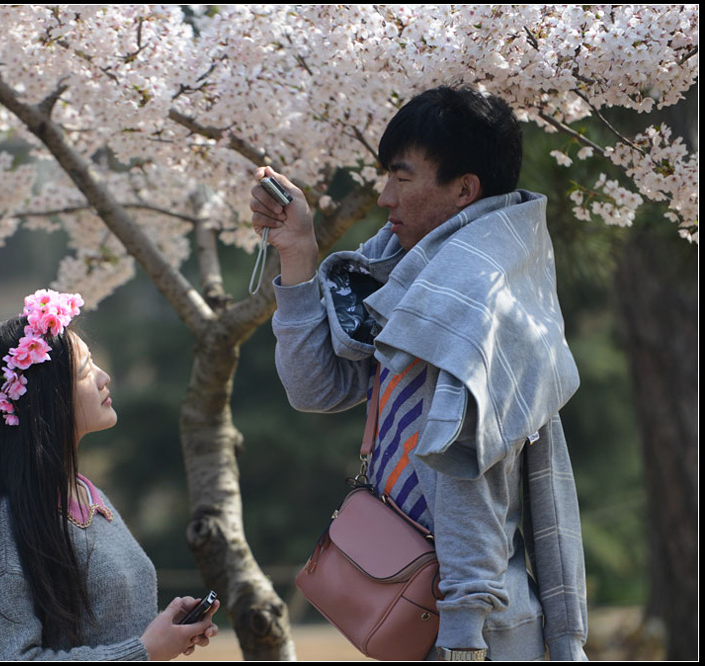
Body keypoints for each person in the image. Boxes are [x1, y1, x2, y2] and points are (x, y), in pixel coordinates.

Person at [250, 86, 588, 661]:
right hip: (428, 620)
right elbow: (317, 388)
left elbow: (468, 486)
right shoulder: (416, 286)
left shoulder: (472, 308)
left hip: (473, 635)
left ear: (465, 189)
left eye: (402, 178)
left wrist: (462, 638)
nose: (385, 197)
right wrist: (297, 253)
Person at [0, 289, 219, 660]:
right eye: (87, 371)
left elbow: (103, 632)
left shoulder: (90, 497)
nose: (104, 378)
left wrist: (163, 630)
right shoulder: (4, 525)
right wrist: (143, 651)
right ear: (46, 396)